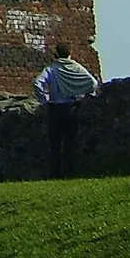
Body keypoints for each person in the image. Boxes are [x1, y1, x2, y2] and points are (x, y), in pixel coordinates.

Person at [33, 43, 99, 178]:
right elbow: (93, 83)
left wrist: (45, 100)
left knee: (54, 145)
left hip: (55, 109)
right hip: (72, 108)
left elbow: (37, 83)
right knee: (70, 143)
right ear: (70, 54)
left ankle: (55, 174)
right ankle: (70, 173)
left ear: (56, 54)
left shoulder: (51, 69)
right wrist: (84, 93)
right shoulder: (76, 67)